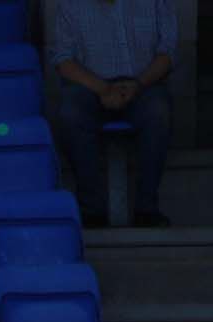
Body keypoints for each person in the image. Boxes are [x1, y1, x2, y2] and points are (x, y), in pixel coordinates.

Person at [46, 0, 174, 228]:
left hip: (142, 85)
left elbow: (167, 53)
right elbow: (63, 60)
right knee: (71, 113)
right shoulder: (70, 5)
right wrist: (102, 89)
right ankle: (91, 208)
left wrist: (137, 84)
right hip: (91, 88)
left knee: (158, 111)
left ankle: (146, 207)